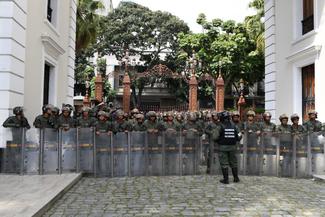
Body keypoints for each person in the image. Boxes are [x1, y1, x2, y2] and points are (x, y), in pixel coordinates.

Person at [216, 111, 241, 184]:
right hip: (233, 147)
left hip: (223, 147)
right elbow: (240, 135)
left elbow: (215, 137)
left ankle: (226, 179)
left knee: (224, 163)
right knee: (234, 162)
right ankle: (236, 178)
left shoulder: (220, 126)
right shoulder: (234, 126)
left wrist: (218, 140)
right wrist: (235, 140)